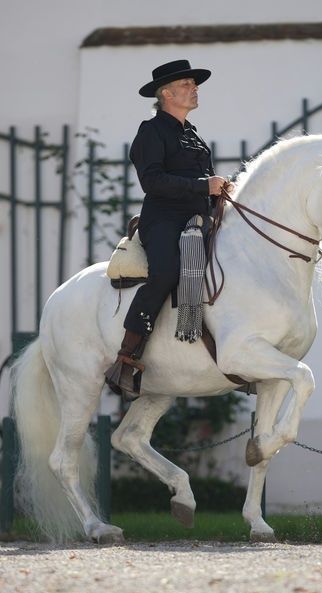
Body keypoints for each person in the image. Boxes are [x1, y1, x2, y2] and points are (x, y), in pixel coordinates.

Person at [105, 59, 228, 396]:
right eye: (187, 85)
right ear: (167, 93)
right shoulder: (151, 132)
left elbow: (206, 183)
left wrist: (219, 193)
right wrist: (204, 186)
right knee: (165, 272)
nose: (194, 89)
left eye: (194, 84)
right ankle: (126, 358)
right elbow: (152, 181)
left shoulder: (192, 134)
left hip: (199, 218)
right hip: (163, 219)